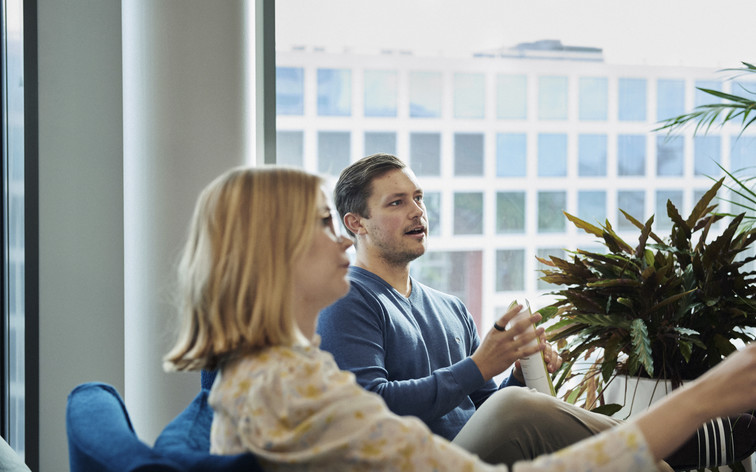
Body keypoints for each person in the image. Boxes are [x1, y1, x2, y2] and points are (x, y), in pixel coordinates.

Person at [163, 165, 756, 471]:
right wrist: (697, 399)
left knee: (517, 402)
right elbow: (403, 410)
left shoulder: (278, 373)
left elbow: (474, 407)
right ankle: (691, 439)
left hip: (458, 451)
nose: (418, 211)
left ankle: (680, 446)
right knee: (515, 409)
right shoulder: (292, 382)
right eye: (397, 202)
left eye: (418, 198)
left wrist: (517, 368)